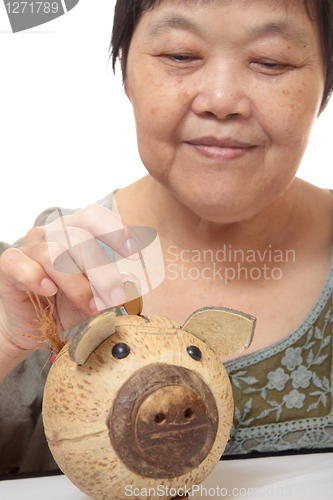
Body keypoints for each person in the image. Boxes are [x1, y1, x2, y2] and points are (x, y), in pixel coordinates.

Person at [1, 0, 333, 474]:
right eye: (179, 55)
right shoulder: (42, 274)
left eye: (271, 61)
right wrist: (7, 337)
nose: (220, 100)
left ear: (326, 85)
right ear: (126, 74)